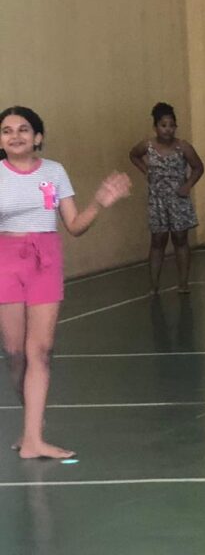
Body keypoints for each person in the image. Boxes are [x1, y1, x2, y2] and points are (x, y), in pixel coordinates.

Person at [0, 106, 131, 459]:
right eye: (7, 130)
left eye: (23, 129)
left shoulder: (54, 172)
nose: (15, 136)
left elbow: (75, 226)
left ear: (37, 137)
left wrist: (100, 202)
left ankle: (33, 439)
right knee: (15, 355)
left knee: (39, 351)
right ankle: (31, 425)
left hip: (45, 260)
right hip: (6, 261)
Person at [129, 102, 204, 295]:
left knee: (180, 238)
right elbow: (134, 155)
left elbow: (198, 167)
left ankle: (183, 283)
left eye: (171, 125)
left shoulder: (183, 147)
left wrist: (188, 185)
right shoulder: (147, 145)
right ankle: (154, 285)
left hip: (178, 199)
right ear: (155, 127)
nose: (168, 129)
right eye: (163, 125)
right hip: (157, 200)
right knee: (158, 240)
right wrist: (146, 171)